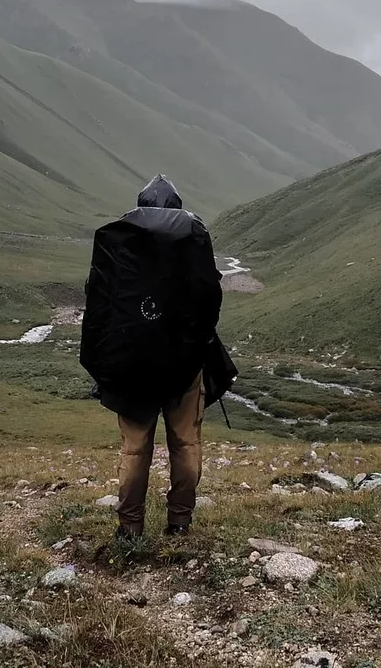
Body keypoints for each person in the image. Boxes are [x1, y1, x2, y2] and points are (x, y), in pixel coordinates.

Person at [80, 174, 236, 539]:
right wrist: (194, 344)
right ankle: (179, 522)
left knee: (134, 450)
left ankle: (130, 527)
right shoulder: (194, 241)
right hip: (185, 366)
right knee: (186, 444)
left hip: (131, 367)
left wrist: (104, 361)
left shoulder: (118, 242)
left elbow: (99, 306)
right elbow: (210, 300)